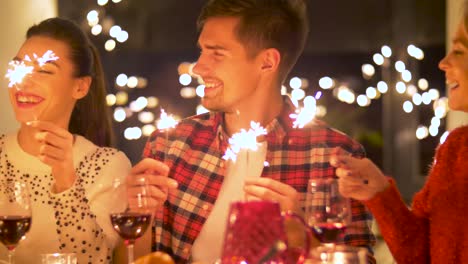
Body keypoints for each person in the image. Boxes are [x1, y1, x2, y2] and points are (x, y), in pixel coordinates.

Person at [130, 0, 376, 263]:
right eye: (201, 51)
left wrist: (306, 239)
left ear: (267, 62)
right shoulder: (170, 147)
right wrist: (137, 215)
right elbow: (134, 259)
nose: (198, 68)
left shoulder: (335, 157)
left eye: (216, 53)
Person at [330, 2, 468, 263]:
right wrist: (379, 193)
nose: (443, 63)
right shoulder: (456, 149)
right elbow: (420, 255)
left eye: (459, 51)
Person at [0, 18, 131, 263]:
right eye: (19, 68)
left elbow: (93, 259)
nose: (24, 82)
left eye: (44, 71)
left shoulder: (106, 166)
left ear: (80, 87)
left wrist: (66, 181)